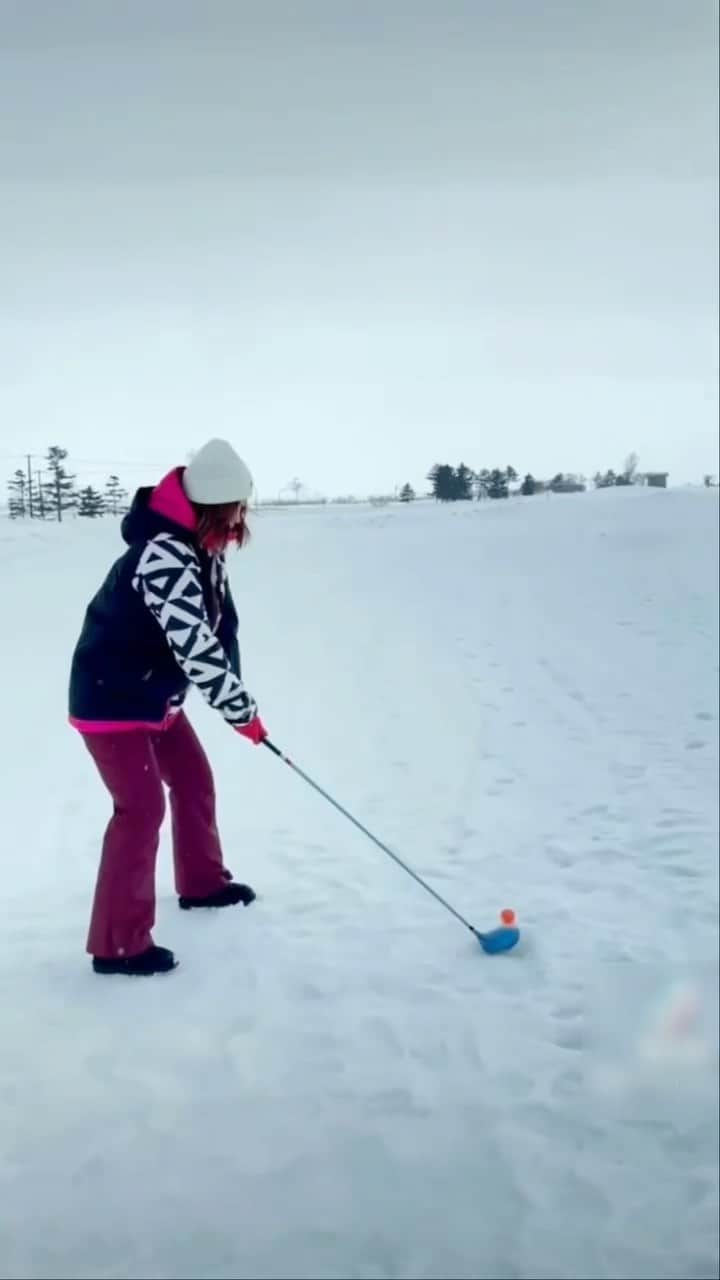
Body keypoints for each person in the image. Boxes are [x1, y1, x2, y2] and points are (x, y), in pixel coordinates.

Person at [69, 439, 268, 976]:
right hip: (111, 698)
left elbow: (221, 630)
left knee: (194, 780)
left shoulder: (203, 550)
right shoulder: (162, 556)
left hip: (153, 695)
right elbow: (194, 646)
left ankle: (203, 885)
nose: (240, 521)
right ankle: (117, 946)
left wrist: (240, 703)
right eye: (235, 510)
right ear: (211, 507)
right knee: (139, 809)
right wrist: (238, 710)